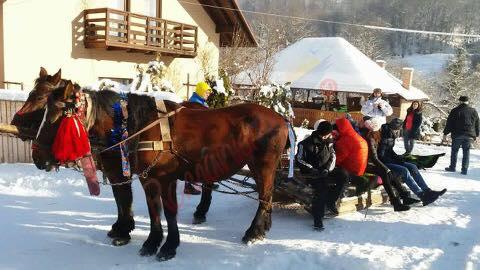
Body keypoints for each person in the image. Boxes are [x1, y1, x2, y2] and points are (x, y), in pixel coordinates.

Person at [378, 118, 447, 206]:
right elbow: (381, 156)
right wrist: (395, 160)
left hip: (391, 160)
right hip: (384, 163)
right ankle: (421, 195)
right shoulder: (385, 136)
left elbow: (389, 151)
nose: (399, 132)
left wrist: (398, 157)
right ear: (394, 128)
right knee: (404, 170)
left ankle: (427, 191)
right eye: (398, 130)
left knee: (412, 166)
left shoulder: (391, 135)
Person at [295, 121, 348, 231]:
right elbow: (299, 159)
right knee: (321, 190)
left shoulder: (329, 141)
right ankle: (318, 219)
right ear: (325, 133)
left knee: (344, 175)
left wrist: (327, 169)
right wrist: (312, 170)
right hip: (312, 172)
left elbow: (333, 156)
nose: (331, 135)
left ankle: (331, 201)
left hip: (325, 169)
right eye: (330, 133)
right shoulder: (304, 144)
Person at [360, 117, 414, 211]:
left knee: (389, 173)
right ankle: (396, 202)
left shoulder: (373, 136)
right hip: (366, 164)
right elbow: (374, 157)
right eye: (379, 128)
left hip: (370, 162)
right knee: (386, 173)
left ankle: (403, 197)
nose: (381, 130)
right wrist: (385, 168)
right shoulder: (371, 138)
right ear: (376, 129)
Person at [184, 81, 213, 195]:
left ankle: (207, 181)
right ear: (201, 91)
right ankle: (188, 186)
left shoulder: (200, 102)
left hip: (199, 135)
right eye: (206, 92)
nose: (208, 94)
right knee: (191, 161)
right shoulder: (195, 103)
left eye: (208, 92)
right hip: (193, 136)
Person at [444, 96, 479, 175]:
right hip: (469, 135)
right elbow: (477, 124)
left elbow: (449, 123)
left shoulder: (455, 110)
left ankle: (452, 167)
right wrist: (476, 135)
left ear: (459, 101)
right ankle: (464, 170)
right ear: (468, 102)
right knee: (466, 152)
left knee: (454, 151)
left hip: (457, 135)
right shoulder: (473, 111)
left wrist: (445, 133)